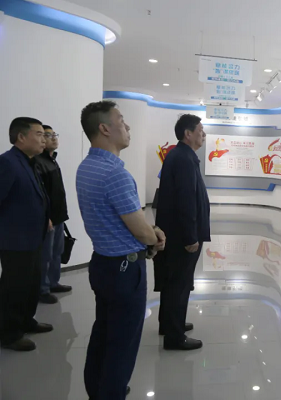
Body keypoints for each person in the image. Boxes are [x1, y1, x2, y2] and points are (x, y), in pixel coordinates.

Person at [76, 101, 166, 400]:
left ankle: (98, 389)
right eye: (122, 121)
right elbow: (139, 229)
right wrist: (155, 237)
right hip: (124, 270)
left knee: (103, 332)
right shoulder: (115, 173)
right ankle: (112, 392)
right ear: (104, 128)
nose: (127, 127)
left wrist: (148, 233)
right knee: (122, 343)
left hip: (103, 263)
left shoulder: (87, 167)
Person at [154, 114, 210, 351]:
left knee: (174, 281)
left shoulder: (180, 155)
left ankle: (168, 323)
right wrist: (190, 237)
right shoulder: (184, 159)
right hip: (181, 236)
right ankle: (174, 336)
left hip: (174, 233)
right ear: (188, 134)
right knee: (179, 283)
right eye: (200, 130)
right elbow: (186, 200)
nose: (203, 134)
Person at [0, 117, 54, 352]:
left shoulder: (29, 162)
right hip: (15, 239)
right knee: (14, 287)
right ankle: (9, 333)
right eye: (39, 134)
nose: (44, 139)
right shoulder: (8, 163)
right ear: (21, 137)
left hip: (33, 237)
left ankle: (26, 321)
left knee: (31, 284)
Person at [36, 125, 72, 304]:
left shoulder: (52, 160)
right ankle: (42, 289)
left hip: (59, 216)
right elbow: (40, 194)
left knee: (57, 252)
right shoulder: (37, 162)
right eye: (48, 135)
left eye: (54, 134)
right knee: (45, 255)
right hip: (48, 219)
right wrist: (46, 216)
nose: (53, 138)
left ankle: (53, 283)